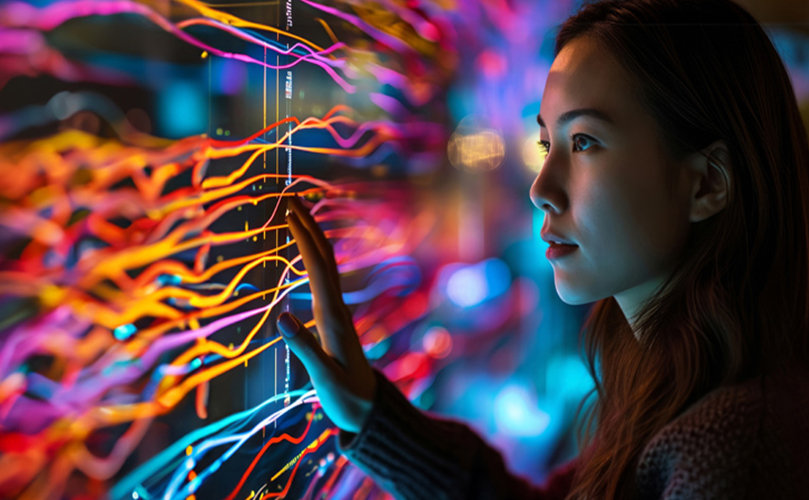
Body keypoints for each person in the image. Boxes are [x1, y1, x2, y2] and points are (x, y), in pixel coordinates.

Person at [274, 0, 809, 498]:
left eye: (585, 142)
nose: (540, 189)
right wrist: (372, 411)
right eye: (547, 144)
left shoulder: (729, 450)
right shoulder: (672, 391)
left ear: (707, 183)